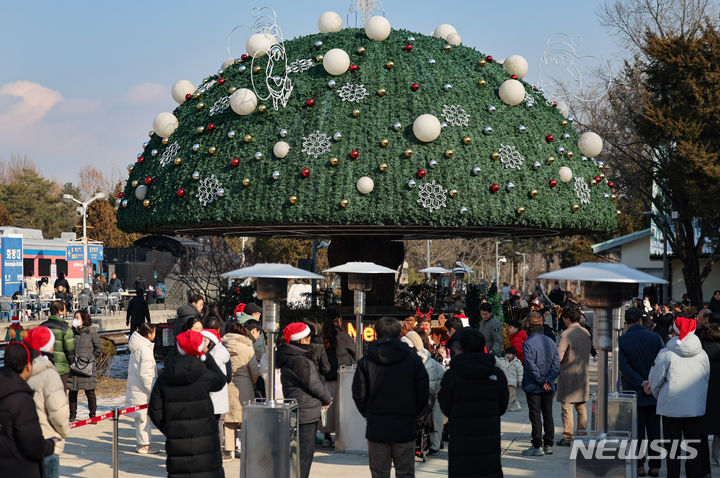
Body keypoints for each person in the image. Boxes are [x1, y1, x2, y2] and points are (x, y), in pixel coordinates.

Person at [352, 317, 430, 478]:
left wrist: (369, 414)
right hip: (405, 424)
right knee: (405, 473)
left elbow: (359, 394)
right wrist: (413, 414)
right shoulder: (413, 360)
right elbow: (423, 392)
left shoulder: (366, 362)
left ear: (376, 334)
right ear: (399, 334)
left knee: (379, 473)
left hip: (377, 426)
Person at [149, 330, 226, 478]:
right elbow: (220, 380)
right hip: (206, 447)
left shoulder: (165, 377)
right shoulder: (204, 375)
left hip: (178, 448)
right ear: (200, 348)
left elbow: (154, 412)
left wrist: (171, 430)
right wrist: (206, 356)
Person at [439, 329, 508, 478]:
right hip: (488, 439)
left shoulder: (452, 376)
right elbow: (502, 406)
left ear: (461, 348)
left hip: (461, 439)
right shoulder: (496, 374)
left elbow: (445, 406)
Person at [648, 316, 710, 478]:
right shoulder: (702, 354)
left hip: (671, 408)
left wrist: (660, 396)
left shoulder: (666, 353)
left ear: (675, 330)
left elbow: (655, 380)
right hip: (695, 408)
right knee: (693, 448)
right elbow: (705, 379)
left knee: (672, 450)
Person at [277, 322, 332, 478]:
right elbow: (313, 383)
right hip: (305, 411)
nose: (311, 341)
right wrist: (327, 398)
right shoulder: (298, 359)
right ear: (301, 340)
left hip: (300, 409)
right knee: (304, 455)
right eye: (309, 339)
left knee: (299, 455)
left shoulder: (291, 356)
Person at [618, 307, 665, 477]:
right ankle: (655, 466)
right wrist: (652, 382)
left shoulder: (623, 340)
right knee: (654, 431)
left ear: (627, 322)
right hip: (654, 391)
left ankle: (639, 466)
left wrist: (640, 381)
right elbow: (662, 362)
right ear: (640, 320)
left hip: (633, 392)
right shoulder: (655, 338)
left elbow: (624, 366)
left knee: (636, 431)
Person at [0, 342, 58, 477]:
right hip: (21, 469)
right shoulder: (22, 400)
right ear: (27, 367)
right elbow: (33, 445)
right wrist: (50, 445)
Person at [25, 327, 70, 478]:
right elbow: (59, 412)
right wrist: (64, 432)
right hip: (48, 441)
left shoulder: (23, 369)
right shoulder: (49, 374)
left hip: (25, 442)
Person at [522, 312, 561, 456]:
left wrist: (541, 380)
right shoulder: (550, 341)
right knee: (548, 413)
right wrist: (549, 380)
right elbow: (556, 363)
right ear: (541, 324)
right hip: (548, 385)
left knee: (535, 415)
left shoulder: (528, 342)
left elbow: (530, 365)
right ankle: (549, 444)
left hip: (533, 385)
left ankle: (537, 445)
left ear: (528, 325)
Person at [555, 305, 592, 447]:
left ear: (567, 318)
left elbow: (559, 356)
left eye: (564, 318)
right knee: (581, 406)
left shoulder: (566, 334)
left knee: (567, 407)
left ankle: (567, 436)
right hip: (583, 373)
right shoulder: (586, 333)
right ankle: (581, 435)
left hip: (568, 374)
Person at [221, 322, 259, 460]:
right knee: (246, 419)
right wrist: (253, 381)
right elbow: (254, 370)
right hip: (244, 386)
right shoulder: (248, 347)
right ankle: (245, 449)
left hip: (226, 385)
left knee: (229, 420)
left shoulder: (222, 346)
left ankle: (229, 450)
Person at [404, 330, 446, 455]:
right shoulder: (420, 359)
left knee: (435, 421)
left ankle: (434, 445)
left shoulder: (425, 362)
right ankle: (431, 444)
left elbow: (433, 383)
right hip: (428, 395)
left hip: (435, 395)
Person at [321, 308, 356, 446]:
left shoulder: (320, 336)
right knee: (340, 408)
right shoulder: (343, 336)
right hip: (342, 377)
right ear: (339, 320)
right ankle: (340, 436)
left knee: (326, 408)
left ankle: (326, 436)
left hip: (325, 377)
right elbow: (355, 352)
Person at [126, 322, 159, 454]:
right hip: (143, 391)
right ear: (148, 334)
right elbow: (146, 374)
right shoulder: (145, 350)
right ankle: (144, 445)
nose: (155, 335)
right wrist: (153, 389)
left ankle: (143, 443)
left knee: (141, 418)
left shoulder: (138, 346)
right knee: (143, 419)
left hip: (137, 388)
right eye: (154, 332)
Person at [201, 321, 230, 457]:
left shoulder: (214, 358)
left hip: (213, 396)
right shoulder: (216, 354)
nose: (202, 342)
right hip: (216, 397)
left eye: (205, 340)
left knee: (215, 426)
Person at [67, 309, 101, 422]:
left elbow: (98, 348)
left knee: (90, 392)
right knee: (72, 391)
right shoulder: (72, 332)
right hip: (74, 366)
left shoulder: (92, 332)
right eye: (74, 317)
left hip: (87, 367)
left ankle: (93, 415)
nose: (75, 320)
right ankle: (72, 415)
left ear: (84, 319)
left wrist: (89, 359)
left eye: (77, 318)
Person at [40, 301, 75, 390]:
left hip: (45, 366)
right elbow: (70, 350)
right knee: (60, 395)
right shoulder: (65, 329)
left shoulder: (41, 327)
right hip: (61, 368)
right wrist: (72, 363)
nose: (65, 311)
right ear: (60, 311)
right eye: (64, 309)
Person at [702, 323, 720, 468]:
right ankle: (717, 455)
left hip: (704, 394)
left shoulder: (700, 350)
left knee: (702, 430)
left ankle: (704, 466)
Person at [497, 347, 523, 411]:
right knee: (505, 394)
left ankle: (515, 404)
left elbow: (520, 373)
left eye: (510, 354)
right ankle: (516, 404)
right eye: (507, 354)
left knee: (511, 395)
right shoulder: (502, 361)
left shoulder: (517, 363)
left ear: (514, 355)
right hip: (503, 382)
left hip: (512, 382)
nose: (508, 355)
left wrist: (520, 381)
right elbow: (497, 363)